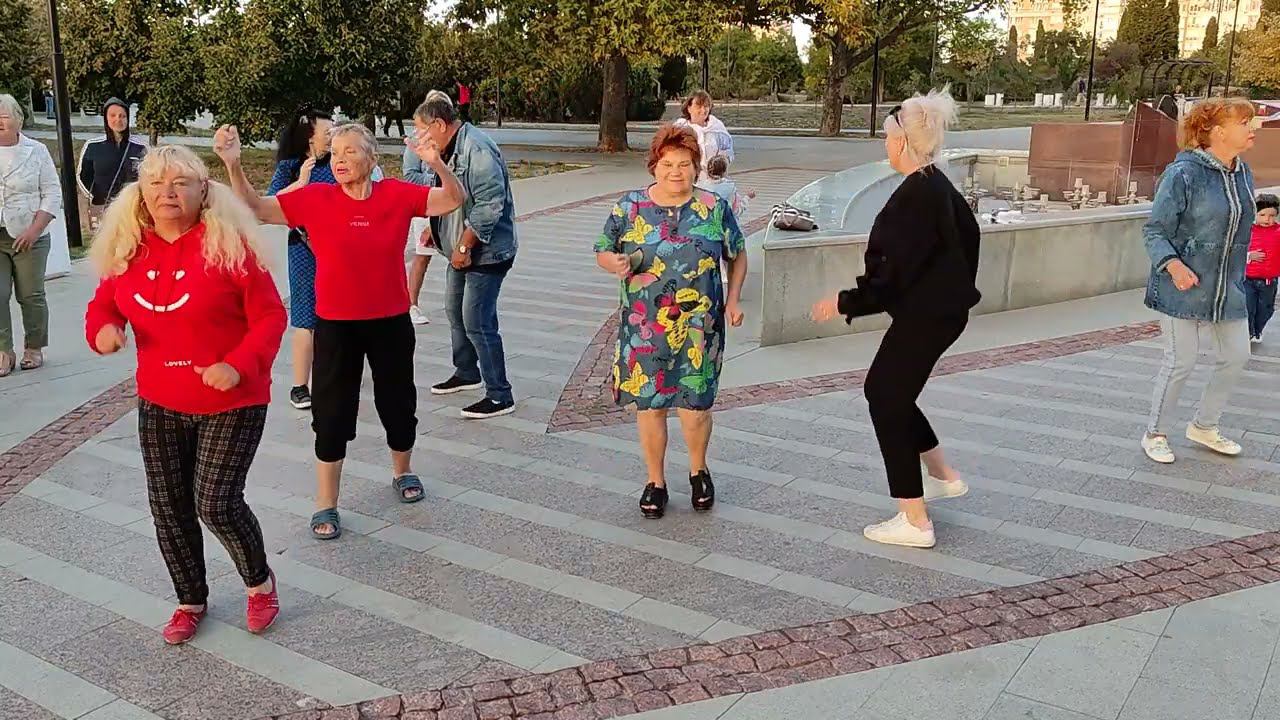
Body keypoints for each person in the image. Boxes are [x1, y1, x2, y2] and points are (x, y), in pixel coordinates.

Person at [212, 122, 464, 540]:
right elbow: (256, 208)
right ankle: (325, 502)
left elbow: (453, 198)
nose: (340, 159)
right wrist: (233, 164)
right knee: (331, 414)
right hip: (335, 326)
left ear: (372, 158)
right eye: (335, 152)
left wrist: (437, 164)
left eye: (350, 151)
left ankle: (402, 471)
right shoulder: (316, 198)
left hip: (389, 322)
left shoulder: (396, 194)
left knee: (398, 404)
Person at [84, 145, 286, 644]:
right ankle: (190, 598)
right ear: (141, 193)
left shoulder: (230, 246)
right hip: (159, 400)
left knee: (216, 502)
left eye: (180, 182)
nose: (167, 192)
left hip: (232, 399)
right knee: (168, 506)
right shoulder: (129, 249)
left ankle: (259, 583)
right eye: (156, 183)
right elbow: (103, 307)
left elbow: (270, 316)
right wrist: (104, 331)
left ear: (203, 191)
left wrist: (237, 365)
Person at [811, 89, 979, 549]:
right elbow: (966, 243)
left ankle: (914, 519)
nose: (885, 144)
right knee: (890, 393)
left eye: (887, 137)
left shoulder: (915, 198)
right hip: (942, 312)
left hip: (929, 315)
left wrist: (844, 302)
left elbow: (890, 274)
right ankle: (942, 475)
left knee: (886, 398)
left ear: (902, 142)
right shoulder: (936, 185)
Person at [595, 124, 747, 519]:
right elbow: (602, 249)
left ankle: (699, 471)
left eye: (684, 164)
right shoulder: (629, 207)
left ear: (696, 167)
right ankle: (655, 481)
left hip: (701, 328)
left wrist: (733, 299)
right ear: (654, 166)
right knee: (651, 406)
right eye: (667, 164)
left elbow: (737, 253)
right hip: (645, 328)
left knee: (695, 408)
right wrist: (614, 262)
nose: (675, 172)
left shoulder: (714, 208)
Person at [1140, 97, 1257, 465]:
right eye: (1244, 123)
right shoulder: (1183, 173)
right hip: (1182, 284)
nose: (1253, 129)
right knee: (1181, 361)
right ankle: (1155, 433)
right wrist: (1173, 265)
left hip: (1228, 285)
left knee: (1237, 355)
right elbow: (1154, 229)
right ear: (1218, 132)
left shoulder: (1243, 172)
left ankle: (1204, 426)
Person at [413, 91, 520, 419]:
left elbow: (490, 204)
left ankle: (500, 394)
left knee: (477, 321)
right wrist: (436, 229)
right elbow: (450, 194)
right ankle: (467, 371)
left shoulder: (476, 148)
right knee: (455, 310)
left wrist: (464, 245)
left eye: (421, 130)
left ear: (439, 125)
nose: (419, 137)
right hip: (460, 247)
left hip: (487, 251)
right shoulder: (447, 149)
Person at [266, 109, 336, 410]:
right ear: (310, 136)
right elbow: (270, 203)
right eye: (327, 132)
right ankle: (299, 385)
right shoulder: (291, 166)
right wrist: (301, 182)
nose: (332, 137)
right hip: (303, 248)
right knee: (305, 316)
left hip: (336, 248)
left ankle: (331, 376)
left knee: (336, 315)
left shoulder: (337, 164)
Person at [0, 94, 60, 377]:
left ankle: (34, 347)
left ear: (18, 120)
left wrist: (34, 230)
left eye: (4, 117)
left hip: (30, 235)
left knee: (30, 295)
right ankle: (3, 350)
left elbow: (52, 192)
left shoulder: (36, 151)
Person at [401, 92, 449, 327]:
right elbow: (410, 175)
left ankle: (459, 302)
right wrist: (438, 180)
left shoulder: (453, 140)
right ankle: (411, 303)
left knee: (457, 252)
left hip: (451, 203)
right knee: (423, 254)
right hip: (427, 203)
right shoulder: (416, 141)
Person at [77, 98, 148, 232]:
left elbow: (148, 177)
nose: (118, 119)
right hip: (100, 207)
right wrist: (94, 197)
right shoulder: (92, 146)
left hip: (132, 209)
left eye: (122, 116)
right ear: (106, 118)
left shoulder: (141, 147)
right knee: (102, 242)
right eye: (113, 115)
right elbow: (83, 176)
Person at [674, 90, 734, 182]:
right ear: (689, 108)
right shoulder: (680, 128)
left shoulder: (717, 127)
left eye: (706, 106)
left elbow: (728, 153)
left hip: (714, 181)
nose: (703, 110)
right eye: (698, 106)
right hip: (687, 180)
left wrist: (720, 165)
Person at [1245, 193, 1280, 343]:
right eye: (1262, 215)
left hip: (1269, 281)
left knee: (1266, 309)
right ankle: (1249, 332)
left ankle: (1257, 329)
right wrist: (1248, 256)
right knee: (1248, 308)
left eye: (1272, 215)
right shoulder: (1247, 231)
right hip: (1248, 279)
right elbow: (1234, 251)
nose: (1267, 219)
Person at [701, 154, 754, 219]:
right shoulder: (730, 188)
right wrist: (747, 198)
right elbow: (736, 211)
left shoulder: (701, 186)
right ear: (724, 172)